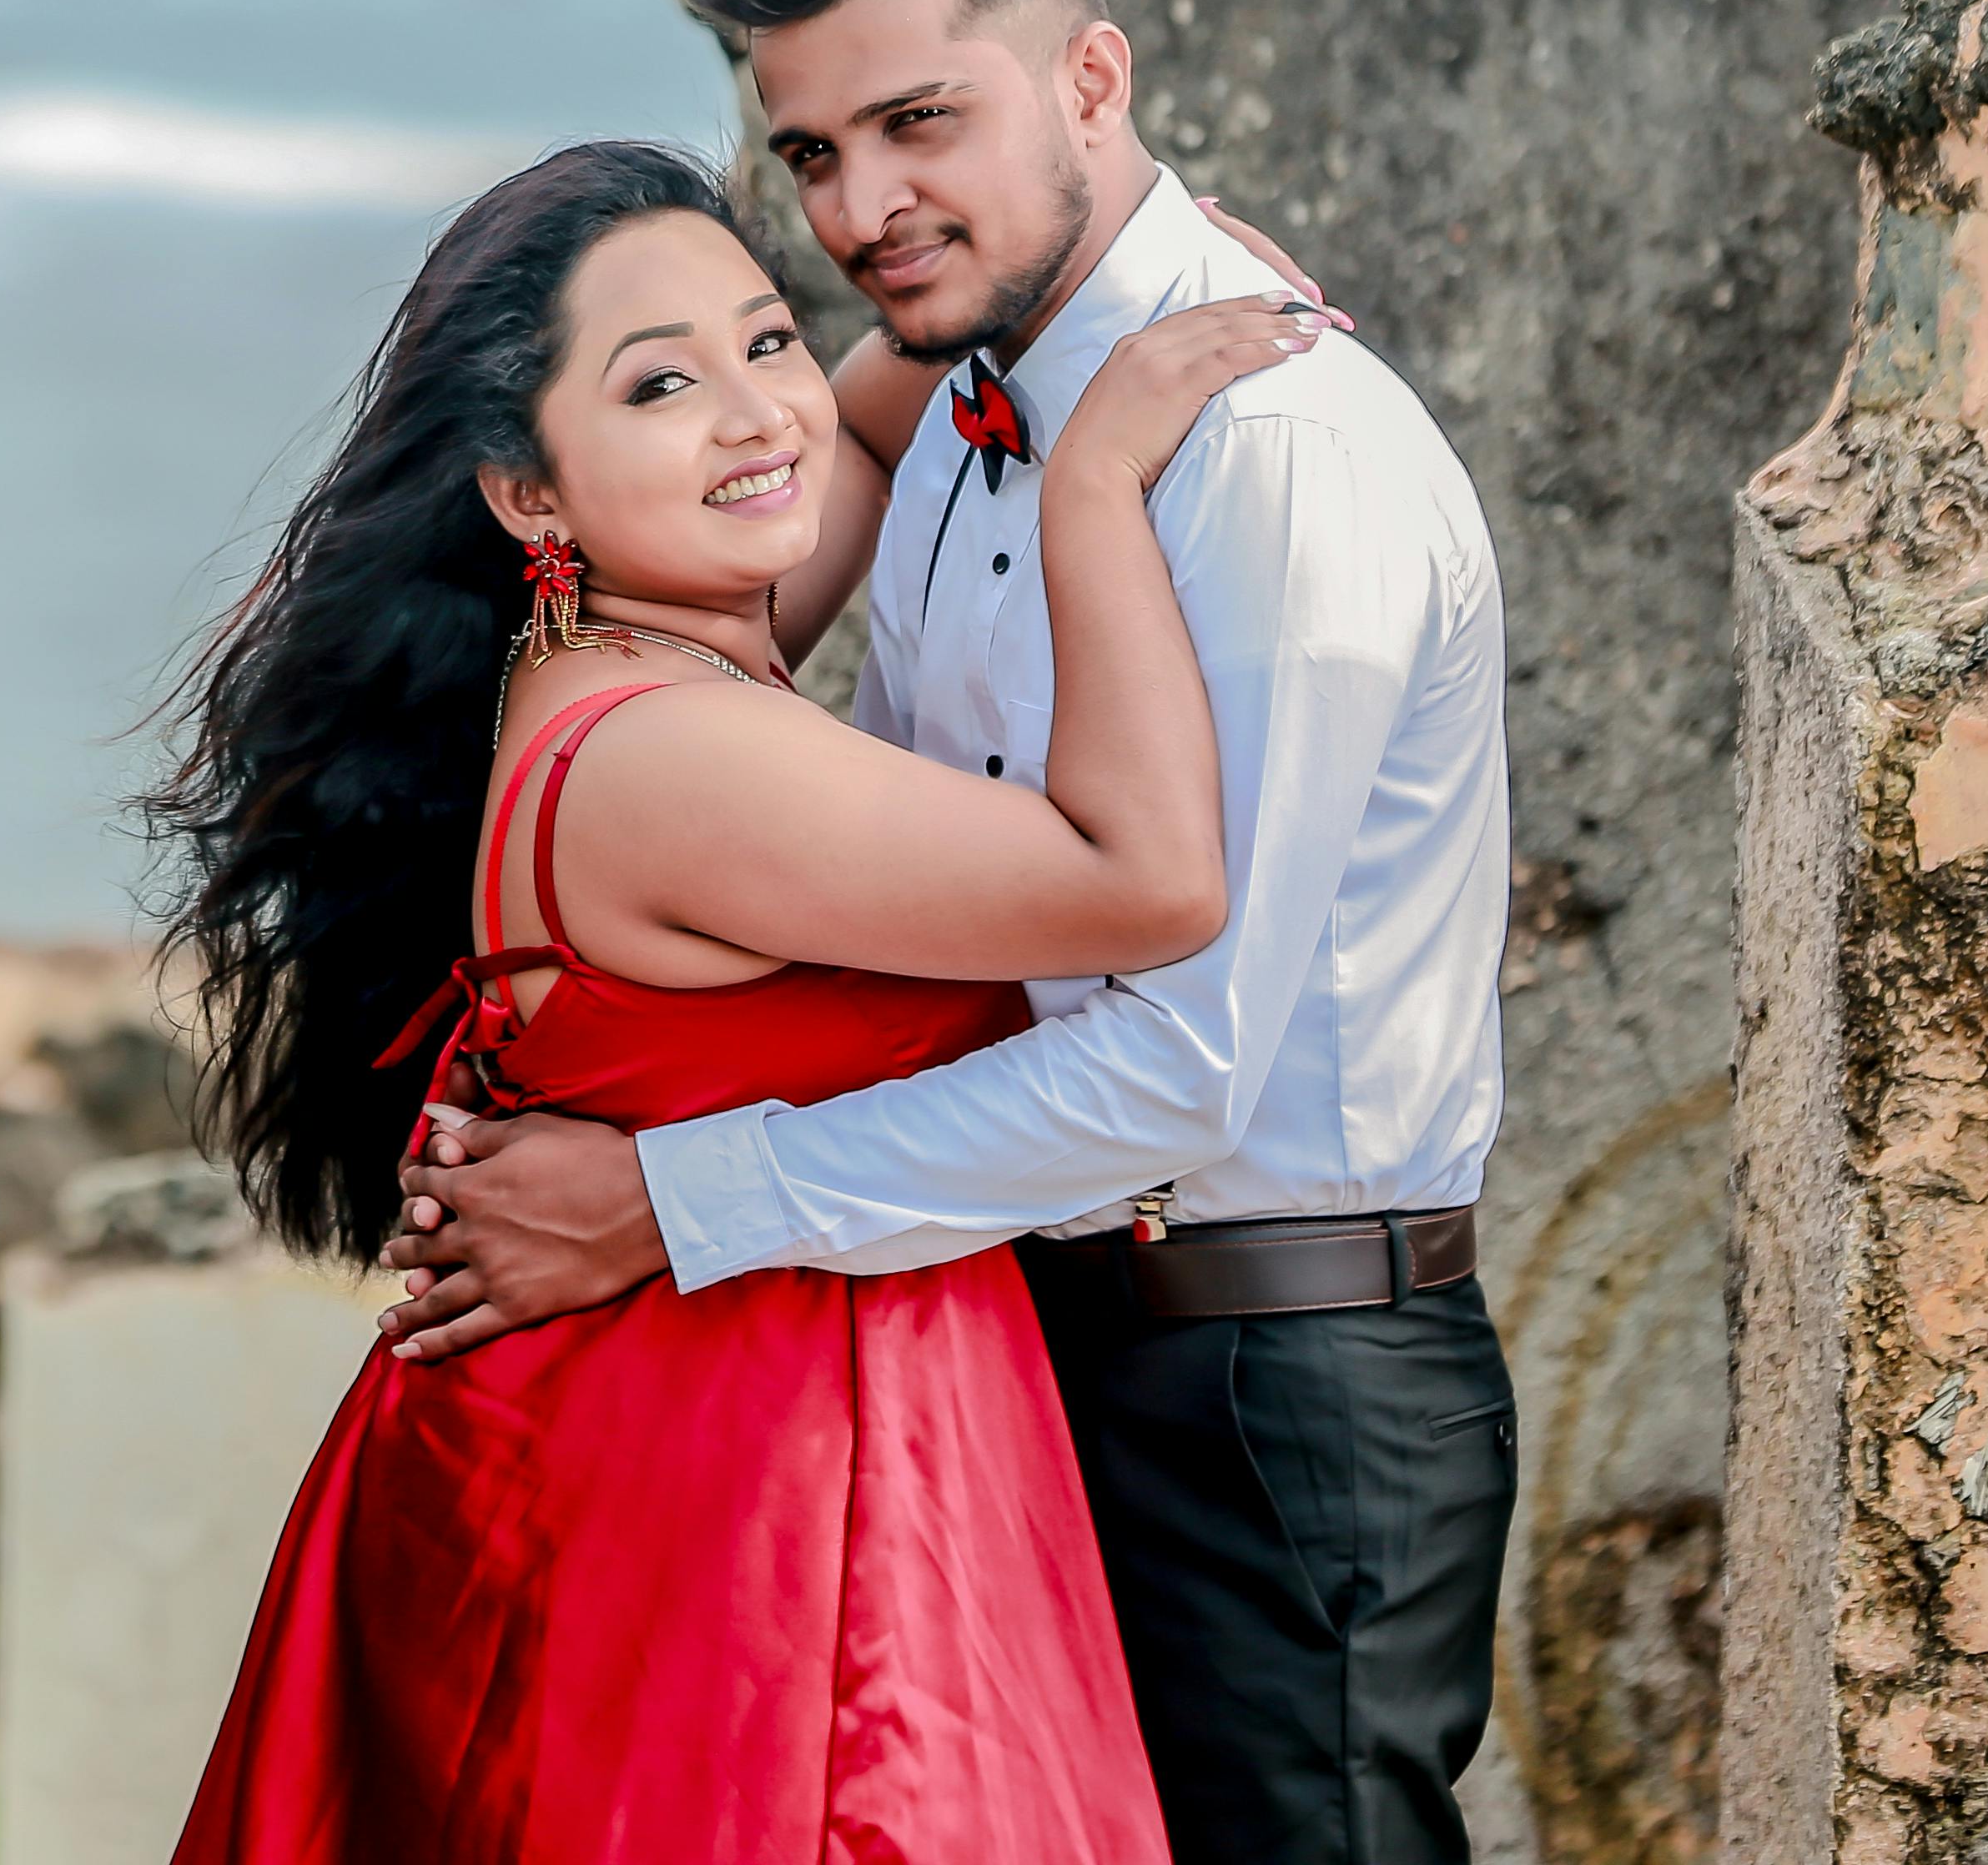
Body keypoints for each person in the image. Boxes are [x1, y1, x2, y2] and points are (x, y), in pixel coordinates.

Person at [380, 0, 1522, 1865]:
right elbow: (731, 553)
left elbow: (1175, 1065)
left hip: (1269, 1379)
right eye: (813, 154)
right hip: (1011, 1339)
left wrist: (666, 1202)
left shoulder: (1258, 459)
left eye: (922, 124)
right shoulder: (956, 396)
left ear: (1094, 79)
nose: (865, 207)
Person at [146, 138, 1336, 1862]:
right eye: (660, 384)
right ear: (529, 496)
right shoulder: (672, 754)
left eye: (767, 337)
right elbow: (1145, 884)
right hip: (745, 1519)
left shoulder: (636, 655)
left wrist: (1095, 242)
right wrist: (1098, 475)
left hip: (714, 1443)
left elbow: (849, 425)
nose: (754, 413)